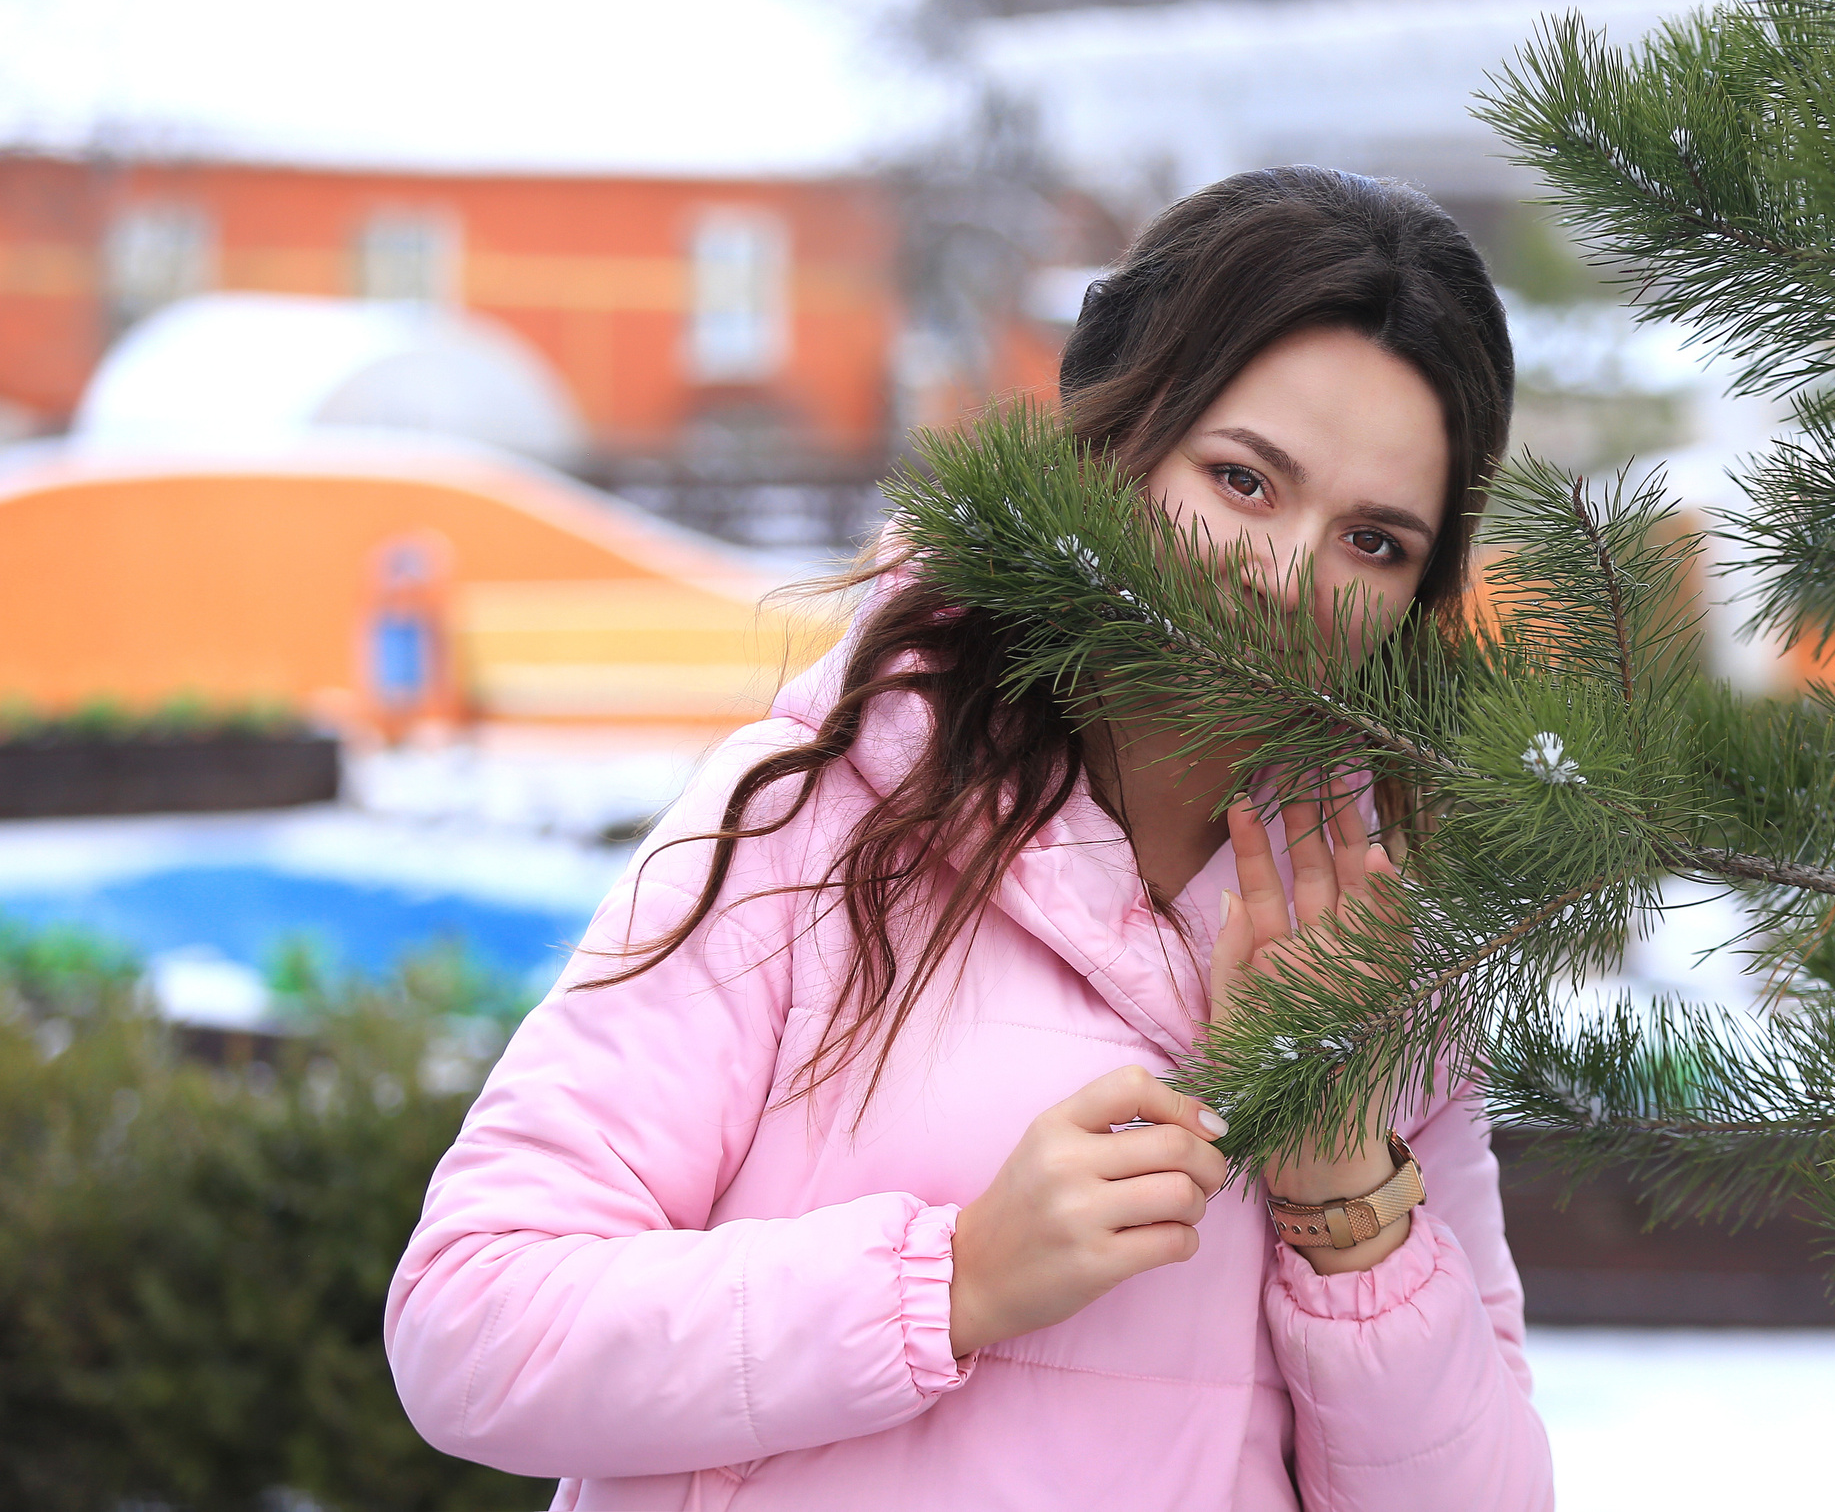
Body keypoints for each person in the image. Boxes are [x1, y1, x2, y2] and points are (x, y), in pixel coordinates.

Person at [386, 167, 1555, 1510]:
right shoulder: (825, 813)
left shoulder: (1378, 947)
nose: (1289, 575)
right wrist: (954, 1281)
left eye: (1375, 540)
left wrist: (1344, 1188)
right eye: (1242, 481)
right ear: (1114, 444)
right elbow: (469, 1324)